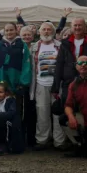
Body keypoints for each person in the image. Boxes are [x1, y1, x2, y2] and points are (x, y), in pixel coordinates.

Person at [52, 17, 87, 101]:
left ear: (85, 27)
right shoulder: (65, 44)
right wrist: (56, 87)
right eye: (75, 25)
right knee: (69, 109)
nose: (77, 27)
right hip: (69, 82)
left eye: (80, 25)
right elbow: (59, 65)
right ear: (71, 27)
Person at [29, 21, 67, 150]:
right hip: (40, 84)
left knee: (57, 112)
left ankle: (59, 141)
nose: (46, 32)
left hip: (57, 85)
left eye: (49, 29)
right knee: (42, 113)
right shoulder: (34, 47)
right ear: (39, 32)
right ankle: (42, 140)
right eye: (44, 29)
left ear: (53, 32)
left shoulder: (60, 46)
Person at [0, 22, 32, 94]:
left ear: (16, 30)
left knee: (15, 104)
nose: (9, 32)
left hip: (17, 82)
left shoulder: (22, 45)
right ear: (4, 32)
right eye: (7, 30)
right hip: (1, 81)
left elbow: (26, 64)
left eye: (11, 30)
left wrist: (23, 82)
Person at [0, 82, 24, 155]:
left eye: (0, 92)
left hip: (8, 125)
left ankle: (5, 146)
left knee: (1, 119)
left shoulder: (10, 100)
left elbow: (11, 114)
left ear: (5, 93)